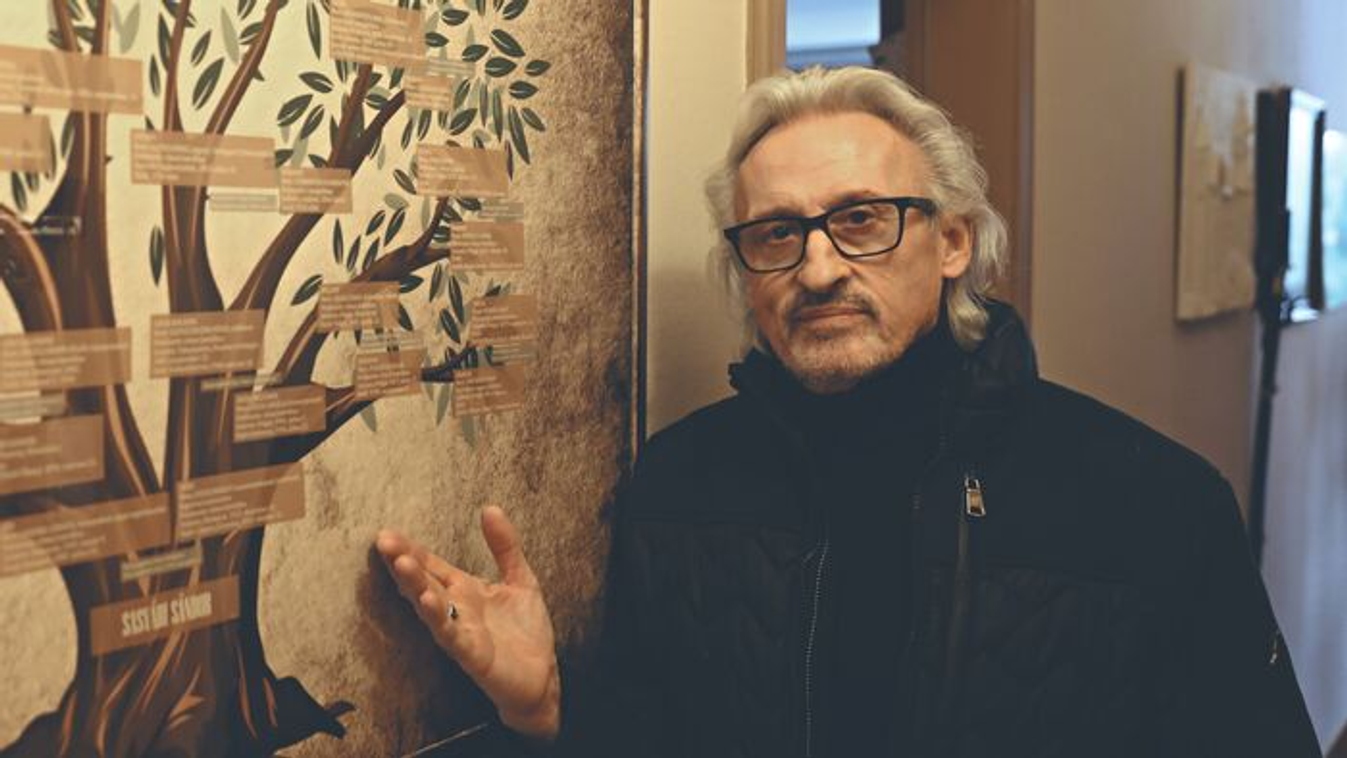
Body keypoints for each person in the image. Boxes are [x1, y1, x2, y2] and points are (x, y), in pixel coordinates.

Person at [375, 66, 1321, 757]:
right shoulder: (679, 484)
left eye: (861, 219)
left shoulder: (1152, 502)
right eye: (776, 233)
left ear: (952, 243)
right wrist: (550, 708)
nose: (818, 268)